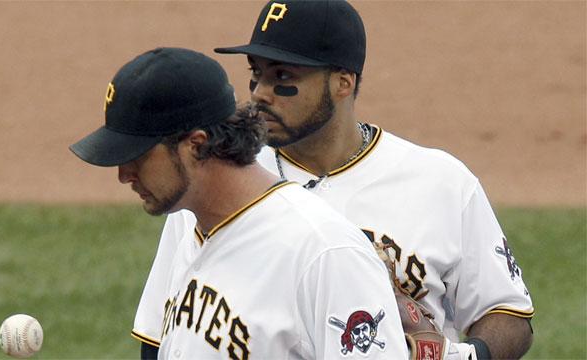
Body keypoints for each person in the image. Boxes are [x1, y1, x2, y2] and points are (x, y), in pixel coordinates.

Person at [133, 1, 535, 359]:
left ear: (343, 82)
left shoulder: (441, 183)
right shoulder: (220, 184)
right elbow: (159, 335)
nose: (260, 93)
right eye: (256, 74)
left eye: (283, 76)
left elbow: (508, 313)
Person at [71, 47, 408, 359]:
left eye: (137, 157)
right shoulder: (193, 226)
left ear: (196, 145)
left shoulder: (323, 253)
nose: (124, 175)